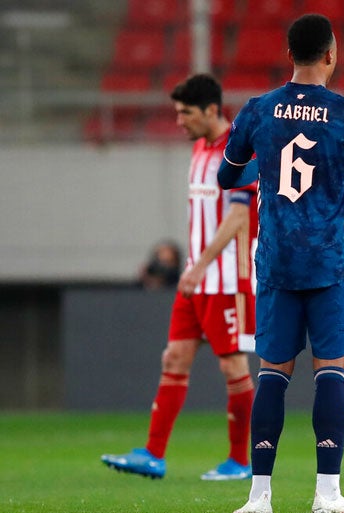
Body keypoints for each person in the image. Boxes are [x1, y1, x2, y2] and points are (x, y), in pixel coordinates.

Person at [216, 14, 344, 513]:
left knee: (272, 372)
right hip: (330, 260)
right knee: (332, 371)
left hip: (275, 259)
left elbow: (226, 173)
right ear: (332, 55)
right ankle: (326, 494)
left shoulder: (259, 109)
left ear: (288, 53)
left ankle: (258, 497)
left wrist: (267, 166)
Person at [101, 74, 258, 481]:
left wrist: (201, 264)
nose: (178, 121)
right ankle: (153, 454)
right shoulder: (199, 149)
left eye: (185, 113)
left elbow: (240, 217)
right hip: (197, 278)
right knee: (174, 357)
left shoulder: (238, 151)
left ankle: (241, 461)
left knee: (233, 367)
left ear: (210, 110)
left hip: (225, 278)